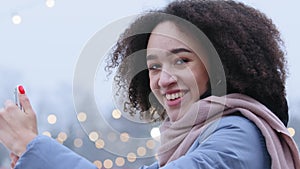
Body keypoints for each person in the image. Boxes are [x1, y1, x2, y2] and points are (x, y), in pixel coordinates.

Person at [0, 0, 299, 168]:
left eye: (182, 60)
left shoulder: (239, 133)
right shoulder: (186, 143)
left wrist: (33, 147)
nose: (164, 79)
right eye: (154, 67)